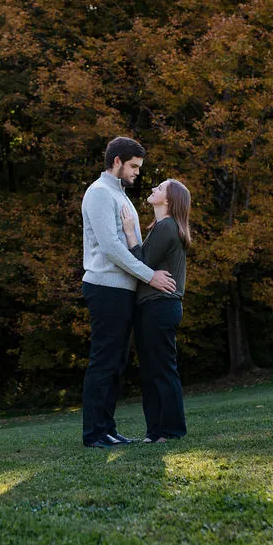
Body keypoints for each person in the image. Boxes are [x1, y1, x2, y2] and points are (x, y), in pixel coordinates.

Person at [81, 137, 177, 449]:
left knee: (116, 363)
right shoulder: (99, 193)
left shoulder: (119, 195)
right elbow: (111, 248)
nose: (137, 173)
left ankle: (107, 429)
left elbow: (130, 245)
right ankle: (94, 433)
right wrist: (150, 276)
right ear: (118, 161)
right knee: (104, 360)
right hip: (105, 288)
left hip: (122, 292)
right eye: (134, 166)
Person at [121, 178, 190, 443]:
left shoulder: (168, 227)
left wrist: (129, 233)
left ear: (169, 201)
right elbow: (148, 267)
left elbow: (141, 264)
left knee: (161, 370)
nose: (153, 190)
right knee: (151, 372)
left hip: (160, 307)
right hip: (153, 307)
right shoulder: (162, 227)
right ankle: (156, 432)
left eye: (159, 189)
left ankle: (170, 431)